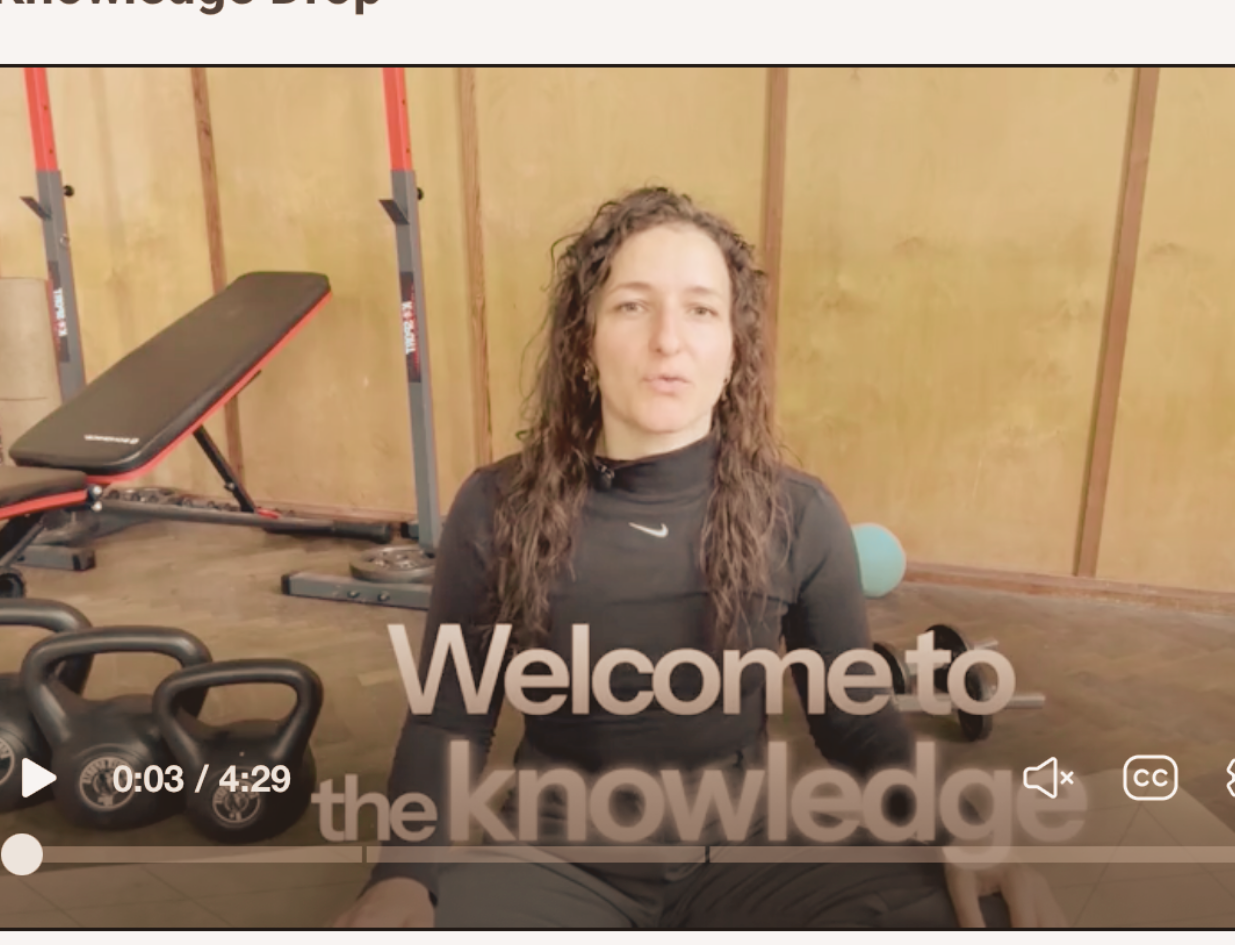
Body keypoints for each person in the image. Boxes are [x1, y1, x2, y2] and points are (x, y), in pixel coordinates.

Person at [333, 186, 1066, 929]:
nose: (667, 340)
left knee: (984, 908)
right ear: (583, 340)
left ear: (732, 349)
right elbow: (449, 721)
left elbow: (854, 720)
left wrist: (954, 830)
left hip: (746, 856)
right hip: (554, 865)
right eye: (632, 306)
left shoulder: (799, 514)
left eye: (701, 309)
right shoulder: (497, 508)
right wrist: (401, 876)